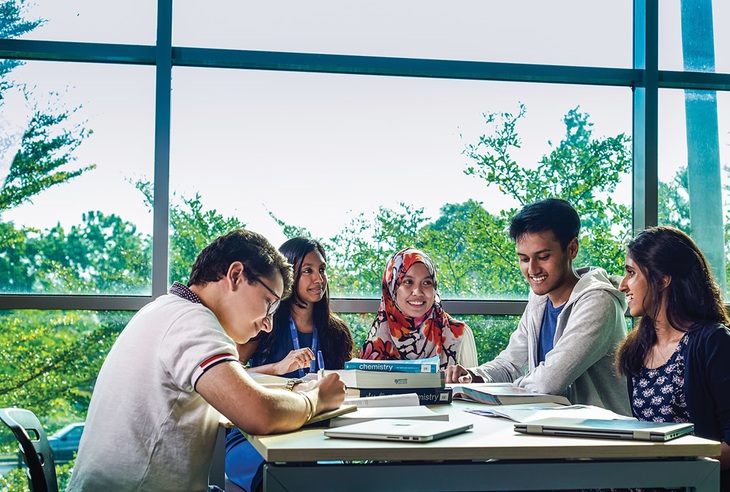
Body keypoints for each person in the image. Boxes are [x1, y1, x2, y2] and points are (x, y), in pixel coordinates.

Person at [66, 229, 346, 492]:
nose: (268, 323)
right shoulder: (194, 323)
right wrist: (315, 400)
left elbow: (235, 392)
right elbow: (258, 414)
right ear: (235, 275)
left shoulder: (164, 309)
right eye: (269, 303)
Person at [445, 198, 630, 415]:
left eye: (543, 257)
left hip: (601, 437)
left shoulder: (599, 302)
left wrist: (495, 393)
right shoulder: (539, 298)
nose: (532, 269)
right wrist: (474, 376)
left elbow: (549, 382)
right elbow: (509, 364)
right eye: (524, 259)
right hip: (553, 427)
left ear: (572, 249)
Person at [225, 236, 355, 492]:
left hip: (317, 432)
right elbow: (230, 374)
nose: (319, 279)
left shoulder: (337, 332)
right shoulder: (263, 324)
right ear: (288, 275)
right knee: (284, 472)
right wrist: (276, 368)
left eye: (322, 270)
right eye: (307, 271)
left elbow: (346, 387)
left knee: (339, 476)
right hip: (258, 435)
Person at [615, 226, 730, 488]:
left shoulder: (713, 342)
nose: (622, 285)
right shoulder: (637, 348)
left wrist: (671, 461)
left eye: (631, 273)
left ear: (663, 279)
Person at [359, 247, 478, 369]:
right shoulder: (377, 337)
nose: (418, 292)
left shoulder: (459, 334)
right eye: (408, 282)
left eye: (426, 283)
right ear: (392, 288)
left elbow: (470, 386)